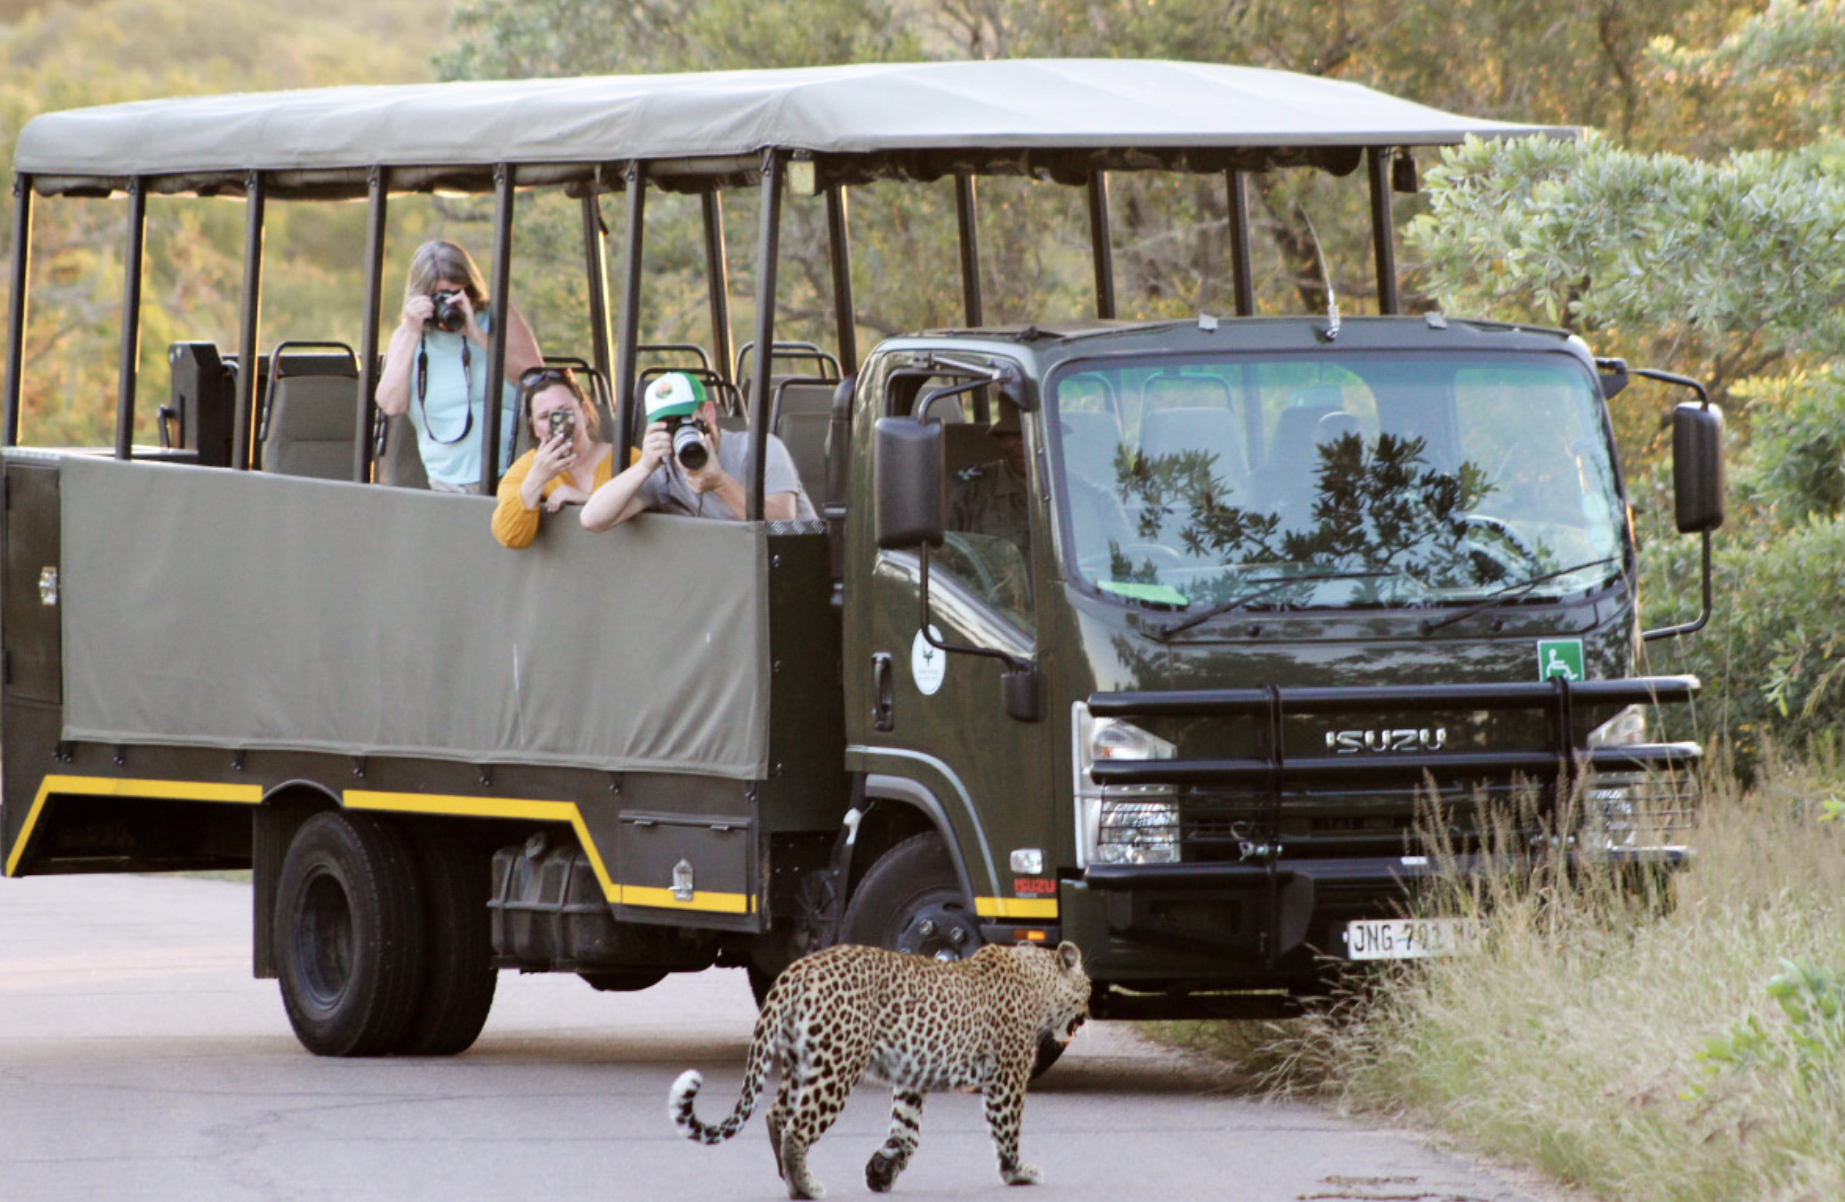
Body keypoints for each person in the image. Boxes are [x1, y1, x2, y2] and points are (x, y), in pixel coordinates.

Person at [374, 240, 543, 493]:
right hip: (448, 483)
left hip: (511, 476)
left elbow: (536, 380)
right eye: (439, 297)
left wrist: (477, 334)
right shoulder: (408, 335)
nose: (448, 306)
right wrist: (411, 331)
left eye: (456, 294)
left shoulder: (498, 318)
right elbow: (391, 404)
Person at [580, 372, 816, 529]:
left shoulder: (760, 449)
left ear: (708, 413)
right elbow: (592, 520)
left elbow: (784, 524)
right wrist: (644, 467)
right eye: (668, 424)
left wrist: (721, 483)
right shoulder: (665, 470)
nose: (679, 431)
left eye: (686, 420)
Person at [491, 367, 620, 548]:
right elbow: (510, 537)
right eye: (545, 417)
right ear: (534, 426)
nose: (557, 423)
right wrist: (537, 478)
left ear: (584, 411)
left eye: (564, 412)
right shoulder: (525, 468)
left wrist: (588, 499)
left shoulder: (626, 459)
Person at [948, 399, 1030, 557]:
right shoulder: (968, 492)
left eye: (1029, 433)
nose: (1022, 443)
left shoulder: (1074, 491)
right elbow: (939, 561)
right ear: (1000, 439)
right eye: (1012, 435)